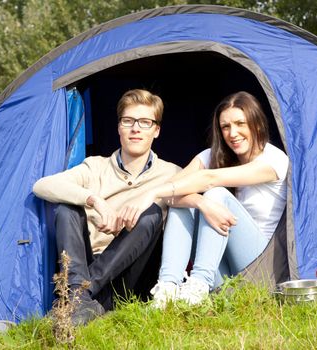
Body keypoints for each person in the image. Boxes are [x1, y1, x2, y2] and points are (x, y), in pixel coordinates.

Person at [118, 91, 288, 308]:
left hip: (262, 272)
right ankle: (167, 288)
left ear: (256, 124)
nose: (232, 133)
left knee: (216, 193)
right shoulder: (213, 155)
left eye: (240, 124)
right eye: (225, 127)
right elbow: (173, 195)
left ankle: (198, 284)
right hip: (225, 274)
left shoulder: (274, 160)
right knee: (186, 201)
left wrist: (151, 193)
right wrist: (200, 203)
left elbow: (209, 179)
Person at [33, 89, 180, 324]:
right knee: (66, 208)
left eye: (145, 122)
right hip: (86, 263)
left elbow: (199, 194)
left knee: (150, 216)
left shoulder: (173, 174)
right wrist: (95, 201)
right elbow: (42, 185)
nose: (135, 129)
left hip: (132, 275)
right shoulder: (95, 167)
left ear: (157, 130)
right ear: (119, 127)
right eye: (128, 121)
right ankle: (83, 302)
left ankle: (78, 297)